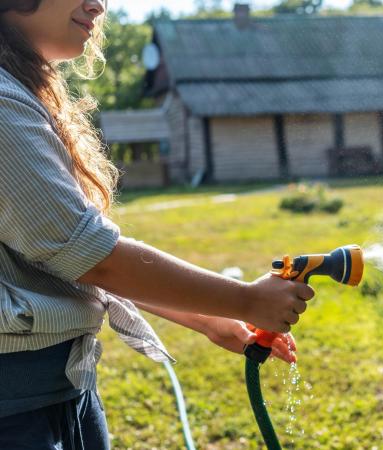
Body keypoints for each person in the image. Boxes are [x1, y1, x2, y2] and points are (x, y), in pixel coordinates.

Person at [0, 1, 315, 448]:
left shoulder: (18, 91)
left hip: (55, 388)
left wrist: (211, 319)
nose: (98, 5)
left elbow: (74, 254)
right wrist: (245, 300)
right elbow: (95, 258)